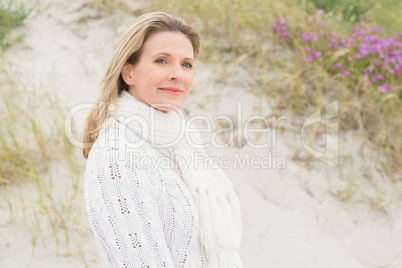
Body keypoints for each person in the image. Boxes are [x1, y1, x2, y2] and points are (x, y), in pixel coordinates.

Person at [82, 12, 243, 267]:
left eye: (187, 64)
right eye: (162, 61)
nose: (178, 74)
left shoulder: (181, 145)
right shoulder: (117, 154)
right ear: (128, 73)